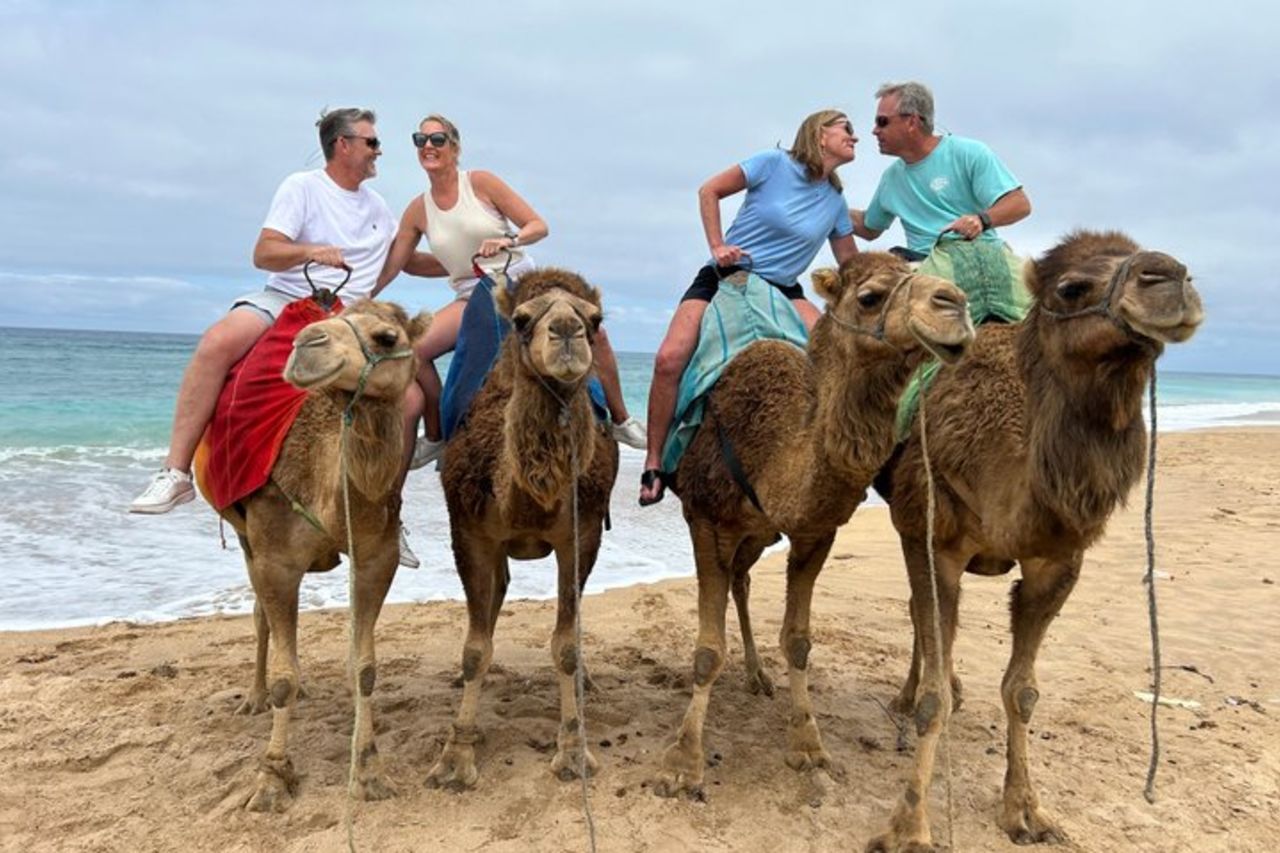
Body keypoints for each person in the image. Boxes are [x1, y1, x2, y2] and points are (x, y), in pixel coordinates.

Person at [129, 108, 424, 565]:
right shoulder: (302, 187)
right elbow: (264, 252)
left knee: (409, 398)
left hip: (350, 316)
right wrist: (310, 251)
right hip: (285, 297)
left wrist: (464, 263)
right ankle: (176, 473)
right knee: (216, 344)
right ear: (342, 145)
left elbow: (405, 261)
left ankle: (389, 513)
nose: (378, 151)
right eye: (370, 142)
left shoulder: (378, 207)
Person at [379, 114, 647, 470]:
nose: (428, 146)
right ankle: (436, 435)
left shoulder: (481, 183)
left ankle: (621, 420)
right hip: (469, 295)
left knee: (597, 333)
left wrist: (509, 239)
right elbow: (398, 264)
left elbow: (538, 225)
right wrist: (361, 293)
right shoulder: (417, 209)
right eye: (420, 139)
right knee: (412, 350)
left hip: (518, 281)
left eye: (438, 139)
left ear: (455, 147)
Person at [639, 109, 860, 506]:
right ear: (819, 133)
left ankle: (832, 461)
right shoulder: (773, 163)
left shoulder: (835, 202)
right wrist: (717, 246)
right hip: (728, 274)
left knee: (835, 358)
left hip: (782, 288)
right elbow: (709, 190)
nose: (855, 137)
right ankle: (654, 461)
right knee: (668, 360)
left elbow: (852, 267)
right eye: (847, 129)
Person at [850, 81, 1031, 260]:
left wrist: (981, 220)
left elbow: (1019, 204)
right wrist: (827, 191)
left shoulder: (969, 153)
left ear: (912, 122)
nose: (875, 131)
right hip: (924, 268)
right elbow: (869, 228)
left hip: (978, 256)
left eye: (882, 122)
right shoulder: (891, 178)